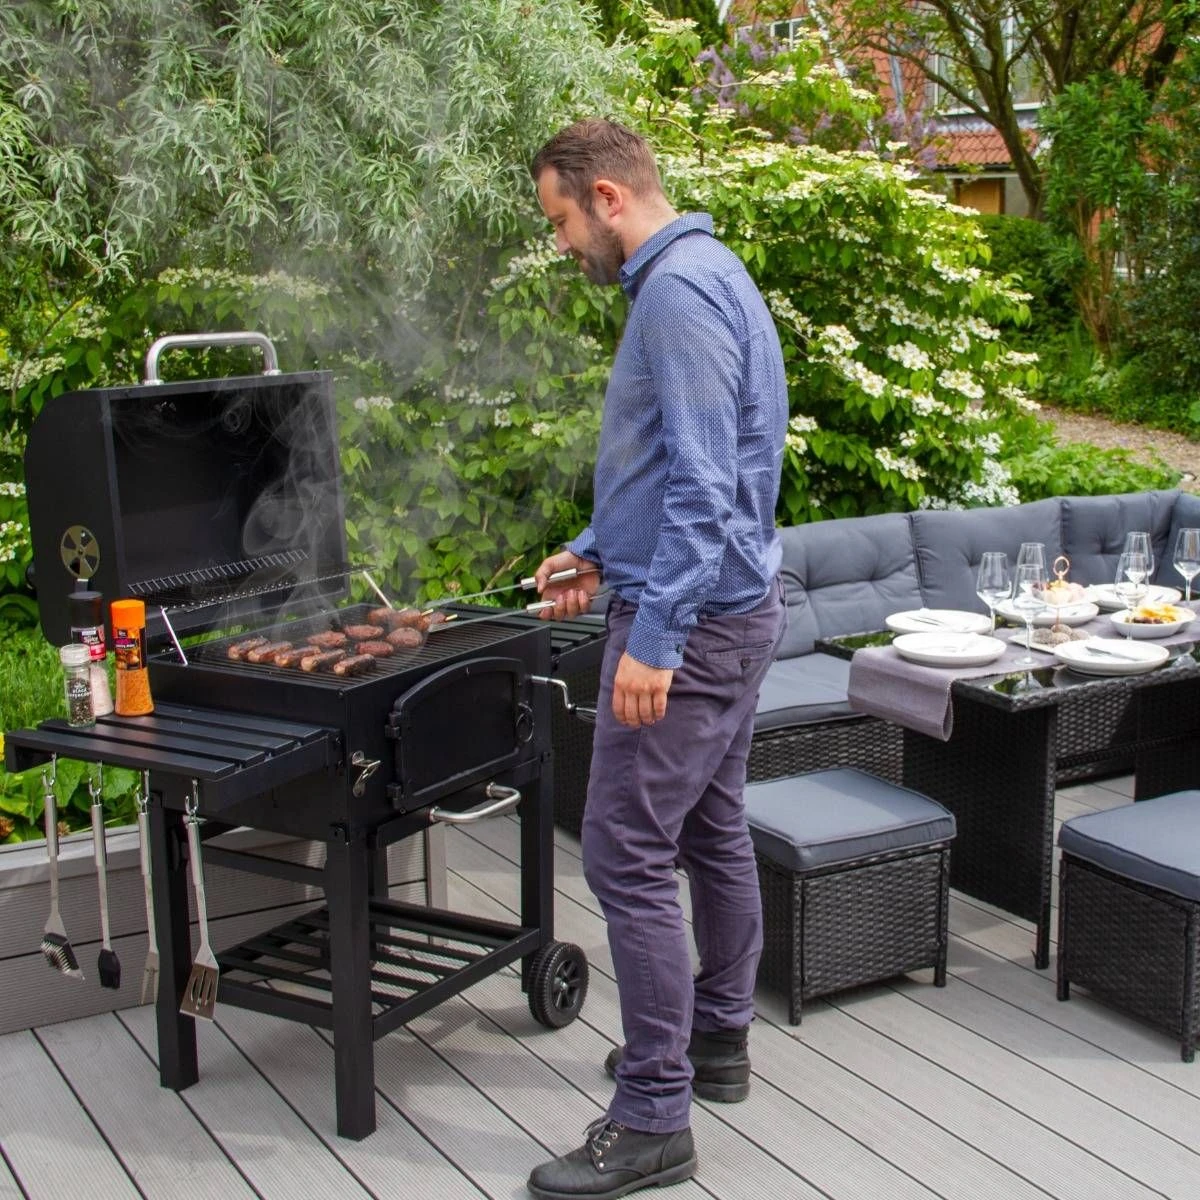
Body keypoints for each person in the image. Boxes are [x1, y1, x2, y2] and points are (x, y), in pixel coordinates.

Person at [525, 118, 789, 1200]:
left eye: (560, 220)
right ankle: (715, 1040)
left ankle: (652, 1118)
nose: (561, 244)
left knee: (624, 851)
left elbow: (708, 486)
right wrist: (596, 551)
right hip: (732, 612)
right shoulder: (708, 271)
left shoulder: (676, 294)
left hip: (696, 625)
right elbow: (684, 464)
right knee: (712, 828)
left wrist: (656, 636)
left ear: (606, 196)